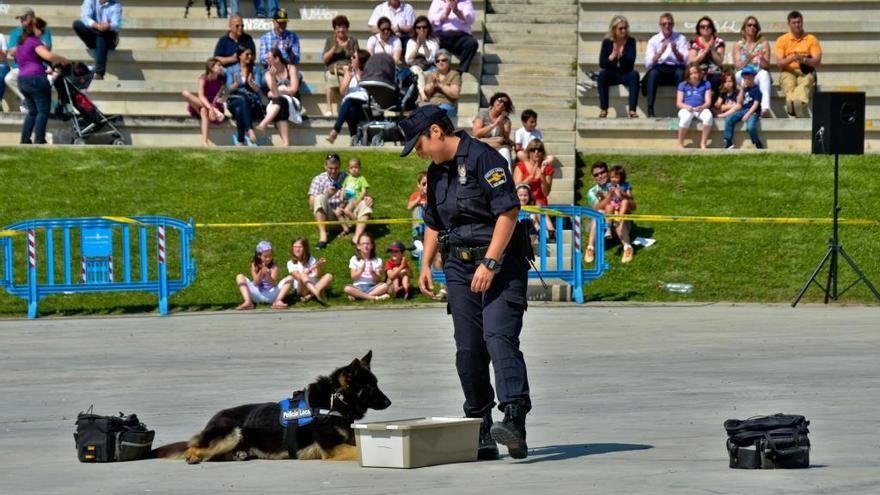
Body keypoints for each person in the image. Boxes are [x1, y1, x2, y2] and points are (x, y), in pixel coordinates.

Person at [401, 104, 533, 460]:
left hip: (500, 264)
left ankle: (514, 419)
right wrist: (426, 263)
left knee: (499, 337)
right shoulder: (436, 171)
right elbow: (433, 220)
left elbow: (508, 211)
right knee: (469, 348)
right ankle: (480, 425)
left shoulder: (484, 159)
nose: (418, 151)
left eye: (419, 143)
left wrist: (490, 261)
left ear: (437, 132)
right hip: (459, 269)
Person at [16, 18, 69, 144]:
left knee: (32, 112)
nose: (43, 32)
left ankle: (25, 140)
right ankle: (39, 140)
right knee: (43, 111)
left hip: (22, 80)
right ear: (34, 28)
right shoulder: (34, 41)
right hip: (36, 80)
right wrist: (63, 59)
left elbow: (27, 61)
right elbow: (48, 56)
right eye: (42, 29)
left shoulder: (21, 43)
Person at [308, 153, 375, 250]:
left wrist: (368, 198)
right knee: (320, 197)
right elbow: (311, 206)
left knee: (366, 203)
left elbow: (360, 193)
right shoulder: (318, 179)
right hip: (329, 218)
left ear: (340, 166)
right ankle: (323, 237)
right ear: (325, 166)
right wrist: (327, 195)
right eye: (330, 168)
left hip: (347, 215)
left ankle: (356, 238)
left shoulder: (349, 177)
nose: (334, 171)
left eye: (336, 168)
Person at [6, 7, 53, 113]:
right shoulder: (16, 32)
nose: (21, 21)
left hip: (40, 67)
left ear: (32, 17)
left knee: (50, 80)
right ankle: (28, 100)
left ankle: (32, 102)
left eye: (24, 18)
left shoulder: (43, 30)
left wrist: (23, 46)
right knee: (8, 78)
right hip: (20, 67)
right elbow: (11, 52)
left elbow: (46, 48)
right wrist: (31, 46)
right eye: (20, 18)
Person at [775, 11, 821, 117]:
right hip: (788, 71)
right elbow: (779, 64)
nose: (797, 25)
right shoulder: (782, 40)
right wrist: (792, 58)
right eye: (794, 23)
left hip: (805, 71)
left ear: (802, 22)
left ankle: (793, 103)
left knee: (806, 80)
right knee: (787, 82)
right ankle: (797, 106)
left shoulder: (811, 39)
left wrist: (803, 59)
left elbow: (817, 61)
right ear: (789, 24)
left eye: (799, 22)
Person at [255, 47, 302, 146]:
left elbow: (294, 89)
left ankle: (264, 123)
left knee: (279, 101)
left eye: (269, 58)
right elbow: (274, 93)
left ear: (277, 59)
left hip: (293, 102)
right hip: (279, 103)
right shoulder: (268, 74)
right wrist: (273, 79)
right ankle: (286, 144)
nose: (267, 60)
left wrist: (280, 89)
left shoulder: (291, 68)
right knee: (280, 102)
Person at [644, 12, 687, 117]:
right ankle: (650, 109)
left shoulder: (680, 38)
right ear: (660, 25)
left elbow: (685, 60)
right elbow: (648, 63)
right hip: (659, 69)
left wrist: (676, 51)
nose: (667, 26)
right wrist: (660, 52)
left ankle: (682, 110)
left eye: (669, 23)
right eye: (664, 24)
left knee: (681, 73)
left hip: (675, 69)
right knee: (652, 74)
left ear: (673, 24)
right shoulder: (654, 40)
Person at [598, 15, 639, 119]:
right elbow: (602, 63)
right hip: (612, 74)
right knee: (602, 75)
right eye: (620, 28)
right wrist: (612, 56)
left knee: (635, 74)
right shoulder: (607, 42)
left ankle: (632, 110)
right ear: (614, 29)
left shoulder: (631, 41)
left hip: (626, 73)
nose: (624, 31)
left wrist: (621, 54)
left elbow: (631, 60)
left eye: (625, 28)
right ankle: (604, 109)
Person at [326, 49, 370, 144]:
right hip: (349, 104)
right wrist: (349, 77)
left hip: (363, 103)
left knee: (349, 101)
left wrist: (358, 75)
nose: (351, 58)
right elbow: (342, 92)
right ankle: (354, 137)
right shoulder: (349, 72)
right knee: (349, 108)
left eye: (354, 57)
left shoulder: (368, 72)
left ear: (360, 60)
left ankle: (335, 130)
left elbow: (368, 90)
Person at [181, 57, 227, 146]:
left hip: (212, 104)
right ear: (211, 68)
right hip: (202, 102)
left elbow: (219, 95)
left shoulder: (221, 79)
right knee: (185, 93)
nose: (221, 67)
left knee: (203, 111)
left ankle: (205, 142)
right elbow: (201, 96)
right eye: (219, 65)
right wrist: (212, 108)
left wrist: (219, 102)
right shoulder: (203, 78)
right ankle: (205, 142)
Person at [225, 45, 265, 146]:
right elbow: (229, 89)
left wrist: (251, 83)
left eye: (251, 54)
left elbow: (258, 89)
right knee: (241, 100)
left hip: (252, 102)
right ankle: (250, 129)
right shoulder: (231, 69)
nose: (250, 56)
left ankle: (240, 140)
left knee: (239, 109)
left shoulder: (255, 69)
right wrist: (237, 84)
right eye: (247, 54)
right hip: (234, 100)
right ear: (239, 56)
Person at [73, 0, 122, 81]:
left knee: (103, 34)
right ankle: (99, 73)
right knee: (77, 24)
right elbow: (85, 17)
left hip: (109, 38)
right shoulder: (89, 1)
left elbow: (116, 24)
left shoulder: (116, 5)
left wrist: (108, 26)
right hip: (93, 35)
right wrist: (98, 26)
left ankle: (99, 73)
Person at [235, 240, 291, 310]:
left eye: (270, 256)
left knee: (290, 278)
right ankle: (248, 302)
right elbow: (256, 282)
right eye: (265, 256)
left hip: (271, 294)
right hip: (256, 293)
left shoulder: (274, 267)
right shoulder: (254, 265)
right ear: (259, 255)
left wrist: (268, 274)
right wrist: (261, 272)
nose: (268, 259)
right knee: (239, 276)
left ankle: (278, 301)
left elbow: (273, 284)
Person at [733, 16, 772, 116]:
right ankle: (745, 106)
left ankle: (765, 108)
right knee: (739, 75)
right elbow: (738, 66)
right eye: (749, 25)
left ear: (757, 28)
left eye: (754, 25)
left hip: (757, 74)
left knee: (764, 74)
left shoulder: (763, 44)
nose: (752, 27)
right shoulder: (738, 45)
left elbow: (767, 66)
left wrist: (761, 58)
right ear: (744, 28)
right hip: (743, 74)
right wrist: (750, 57)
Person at [322, 15, 359, 117]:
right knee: (329, 77)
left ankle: (347, 108)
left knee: (352, 80)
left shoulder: (352, 40)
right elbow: (325, 60)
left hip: (348, 69)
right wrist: (334, 47)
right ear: (335, 29)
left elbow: (357, 59)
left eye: (343, 27)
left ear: (347, 28)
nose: (341, 30)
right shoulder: (330, 40)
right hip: (333, 69)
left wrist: (350, 49)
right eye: (338, 27)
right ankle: (329, 108)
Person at [428, 0, 478, 74]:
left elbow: (471, 19)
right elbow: (430, 20)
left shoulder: (465, 1)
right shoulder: (437, 1)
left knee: (472, 43)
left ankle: (460, 71)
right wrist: (445, 14)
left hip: (461, 37)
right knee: (432, 42)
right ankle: (435, 72)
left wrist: (457, 12)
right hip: (442, 36)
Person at [723, 66, 764, 150]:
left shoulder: (757, 90)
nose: (747, 80)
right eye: (745, 79)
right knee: (729, 119)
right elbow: (739, 101)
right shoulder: (745, 89)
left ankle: (757, 142)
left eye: (749, 78)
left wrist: (748, 114)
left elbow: (755, 105)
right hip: (743, 110)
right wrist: (742, 89)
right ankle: (728, 141)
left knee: (750, 127)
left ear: (753, 77)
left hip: (753, 112)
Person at [284, 237, 332, 305]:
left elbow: (318, 275)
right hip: (302, 288)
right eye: (295, 247)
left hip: (314, 284)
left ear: (305, 248)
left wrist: (318, 267)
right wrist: (311, 268)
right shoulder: (290, 263)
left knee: (329, 276)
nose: (297, 249)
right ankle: (317, 294)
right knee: (302, 275)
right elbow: (299, 277)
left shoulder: (311, 259)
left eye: (300, 247)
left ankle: (310, 296)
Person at [675, 62, 713, 149]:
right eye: (691, 73)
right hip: (687, 108)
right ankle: (680, 143)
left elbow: (708, 102)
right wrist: (686, 107)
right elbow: (679, 103)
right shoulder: (683, 85)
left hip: (700, 108)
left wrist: (702, 107)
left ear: (699, 73)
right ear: (688, 74)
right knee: (686, 118)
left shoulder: (706, 84)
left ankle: (703, 143)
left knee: (708, 116)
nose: (693, 75)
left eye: (695, 72)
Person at [344, 233, 390, 301]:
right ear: (358, 246)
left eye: (368, 243)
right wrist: (360, 271)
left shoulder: (377, 260)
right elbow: (353, 277)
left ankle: (359, 296)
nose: (366, 246)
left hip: (372, 286)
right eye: (363, 244)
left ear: (372, 246)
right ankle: (374, 298)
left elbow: (377, 280)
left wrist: (372, 272)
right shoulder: (354, 259)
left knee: (385, 286)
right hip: (358, 286)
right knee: (347, 288)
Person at [604, 165, 636, 263]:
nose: (614, 179)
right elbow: (606, 197)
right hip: (613, 206)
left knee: (625, 201)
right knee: (609, 207)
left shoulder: (626, 185)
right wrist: (609, 193)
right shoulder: (609, 185)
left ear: (621, 177)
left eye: (616, 177)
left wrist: (621, 193)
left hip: (622, 206)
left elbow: (630, 197)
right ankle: (608, 228)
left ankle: (619, 219)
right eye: (612, 177)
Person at [688, 16, 725, 97]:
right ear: (699, 29)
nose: (706, 28)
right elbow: (692, 61)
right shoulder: (693, 42)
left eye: (708, 26)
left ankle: (711, 106)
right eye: (702, 26)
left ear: (712, 28)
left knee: (716, 78)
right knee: (696, 77)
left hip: (715, 71)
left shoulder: (719, 41)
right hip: (699, 70)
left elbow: (719, 62)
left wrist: (712, 49)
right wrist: (705, 51)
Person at [472, 92, 513, 165]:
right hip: (483, 146)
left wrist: (501, 123)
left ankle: (507, 175)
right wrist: (493, 125)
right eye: (500, 100)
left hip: (499, 146)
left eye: (505, 103)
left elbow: (506, 138)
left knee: (505, 152)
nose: (502, 104)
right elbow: (476, 133)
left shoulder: (506, 120)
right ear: (493, 101)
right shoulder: (483, 115)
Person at [406, 16, 440, 102]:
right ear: (415, 29)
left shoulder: (434, 41)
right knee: (416, 70)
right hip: (416, 68)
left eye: (424, 27)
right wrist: (417, 46)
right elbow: (408, 60)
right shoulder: (411, 42)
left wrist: (424, 43)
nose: (422, 30)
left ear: (428, 28)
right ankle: (423, 94)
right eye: (419, 27)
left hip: (429, 68)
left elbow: (430, 59)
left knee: (433, 73)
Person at [583, 161, 610, 264]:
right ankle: (590, 248)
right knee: (598, 214)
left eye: (602, 172)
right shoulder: (592, 192)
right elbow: (596, 207)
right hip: (600, 221)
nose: (600, 176)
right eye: (596, 175)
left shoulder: (616, 186)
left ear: (607, 172)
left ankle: (627, 247)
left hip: (616, 219)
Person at [337, 156, 370, 237]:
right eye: (352, 167)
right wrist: (341, 197)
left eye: (356, 167)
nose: (354, 169)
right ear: (349, 168)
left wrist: (358, 200)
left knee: (347, 211)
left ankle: (359, 224)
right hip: (345, 200)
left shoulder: (361, 179)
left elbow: (364, 191)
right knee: (338, 211)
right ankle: (346, 229)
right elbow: (342, 188)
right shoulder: (347, 178)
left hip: (354, 199)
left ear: (360, 168)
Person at [423, 49, 460, 118]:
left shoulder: (454, 74)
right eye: (438, 61)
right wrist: (433, 83)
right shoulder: (432, 75)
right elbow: (427, 92)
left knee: (436, 113)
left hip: (448, 106)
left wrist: (440, 85)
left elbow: (455, 94)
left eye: (443, 60)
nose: (440, 62)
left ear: (448, 61)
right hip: (432, 106)